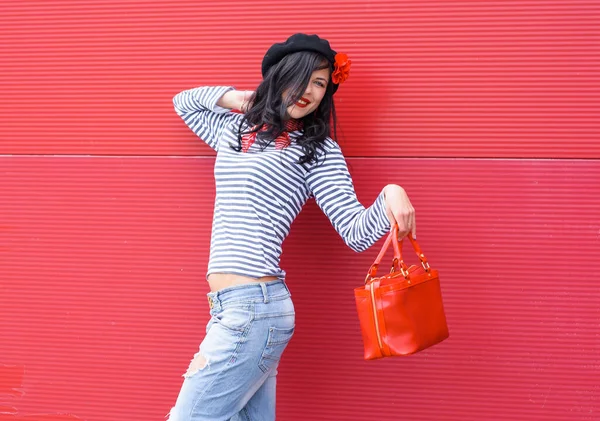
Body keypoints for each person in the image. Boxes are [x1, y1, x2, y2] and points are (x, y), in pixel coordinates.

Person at [167, 33, 416, 421]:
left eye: (320, 83)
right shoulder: (233, 131)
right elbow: (184, 102)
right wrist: (242, 99)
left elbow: (355, 232)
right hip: (229, 307)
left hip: (256, 308)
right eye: (302, 78)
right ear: (279, 76)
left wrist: (391, 193)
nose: (310, 92)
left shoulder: (317, 151)